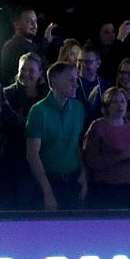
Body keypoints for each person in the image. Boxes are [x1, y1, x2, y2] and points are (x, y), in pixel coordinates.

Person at [25, 60, 88, 211]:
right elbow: (32, 154)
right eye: (71, 80)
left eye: (76, 80)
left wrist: (84, 177)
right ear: (54, 81)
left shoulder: (78, 108)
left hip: (73, 178)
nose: (76, 85)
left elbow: (77, 145)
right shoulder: (38, 111)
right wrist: (47, 191)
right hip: (49, 179)